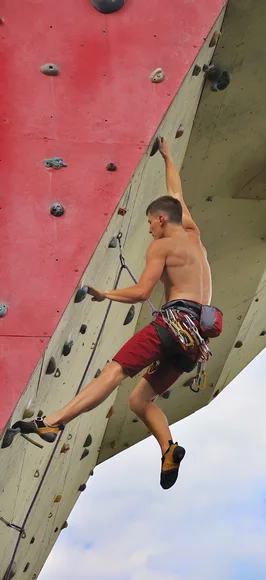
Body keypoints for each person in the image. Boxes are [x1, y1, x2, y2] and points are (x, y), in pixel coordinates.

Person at [13, 137, 215, 490]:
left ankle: (54, 422)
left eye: (151, 221)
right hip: (195, 340)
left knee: (114, 371)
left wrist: (105, 293)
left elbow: (141, 293)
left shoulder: (163, 245)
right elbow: (177, 193)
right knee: (139, 400)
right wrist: (167, 156)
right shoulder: (194, 236)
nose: (149, 227)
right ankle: (168, 448)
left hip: (172, 325)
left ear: (162, 219)